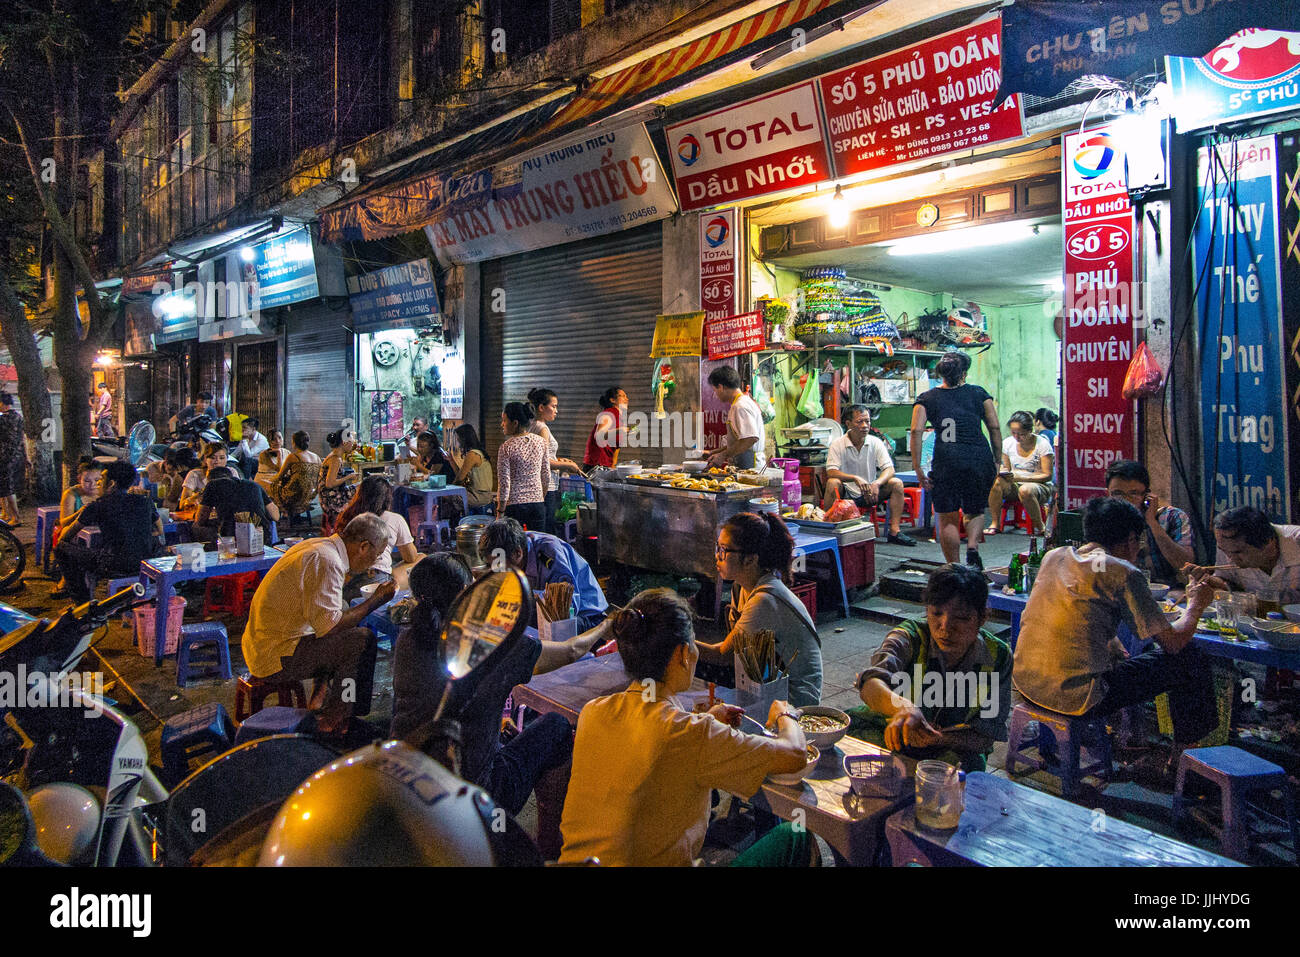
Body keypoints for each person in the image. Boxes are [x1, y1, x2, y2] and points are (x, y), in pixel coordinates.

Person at [558, 589, 813, 867]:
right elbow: (794, 754)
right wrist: (784, 713)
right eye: (693, 644)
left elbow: (658, 740)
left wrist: (709, 721)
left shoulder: (593, 713)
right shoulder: (691, 733)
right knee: (795, 835)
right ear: (682, 654)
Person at [1014, 497, 1218, 755]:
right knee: (1190, 658)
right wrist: (1196, 605)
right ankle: (1187, 756)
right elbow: (1173, 643)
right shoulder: (1122, 571)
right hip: (1076, 698)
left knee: (1132, 658)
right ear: (1131, 539)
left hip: (1027, 685)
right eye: (1138, 542)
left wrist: (1111, 642)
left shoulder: (1055, 556)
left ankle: (1136, 736)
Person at [391, 553, 574, 821]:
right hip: (476, 799)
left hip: (406, 780)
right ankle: (549, 840)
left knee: (501, 733)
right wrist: (607, 625)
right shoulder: (493, 645)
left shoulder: (407, 640)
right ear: (465, 595)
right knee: (556, 726)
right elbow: (570, 651)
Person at [241, 514, 395, 734]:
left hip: (265, 644)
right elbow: (331, 626)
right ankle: (335, 719)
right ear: (363, 547)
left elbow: (326, 617)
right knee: (361, 641)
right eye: (376, 555)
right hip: (273, 656)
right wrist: (376, 600)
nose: (375, 562)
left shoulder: (320, 545)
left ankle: (323, 698)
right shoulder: (327, 560)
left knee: (344, 616)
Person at [851, 563, 1011, 771]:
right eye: (936, 614)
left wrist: (938, 738)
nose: (945, 627)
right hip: (886, 733)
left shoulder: (998, 658)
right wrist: (904, 709)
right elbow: (870, 684)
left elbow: (985, 737)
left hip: (948, 748)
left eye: (961, 618)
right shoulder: (908, 637)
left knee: (967, 771)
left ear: (982, 617)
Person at [696, 512, 823, 707]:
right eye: (717, 548)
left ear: (750, 559)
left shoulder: (765, 600)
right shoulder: (742, 587)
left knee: (688, 657)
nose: (717, 556)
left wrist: (674, 639)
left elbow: (723, 655)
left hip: (794, 698)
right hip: (762, 678)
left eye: (723, 550)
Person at [909, 350, 1002, 568]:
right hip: (978, 458)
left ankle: (954, 566)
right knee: (975, 510)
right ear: (965, 373)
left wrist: (918, 468)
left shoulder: (927, 398)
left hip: (946, 461)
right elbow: (995, 427)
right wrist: (997, 460)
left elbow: (915, 431)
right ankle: (972, 546)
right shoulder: (979, 393)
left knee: (946, 517)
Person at [53, 460, 163, 602]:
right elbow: (159, 530)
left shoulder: (98, 505)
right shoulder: (145, 501)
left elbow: (66, 536)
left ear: (111, 484)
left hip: (112, 565)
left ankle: (82, 602)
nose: (98, 485)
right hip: (146, 561)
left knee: (61, 547)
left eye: (100, 480)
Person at [481, 517, 607, 631]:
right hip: (546, 615)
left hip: (587, 617)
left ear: (518, 553)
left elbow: (564, 612)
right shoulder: (510, 546)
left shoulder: (549, 552)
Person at [823, 404, 915, 546]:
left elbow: (889, 469)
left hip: (871, 493)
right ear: (848, 424)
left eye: (868, 421)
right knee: (833, 482)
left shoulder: (875, 442)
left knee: (896, 483)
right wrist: (854, 478)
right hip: (847, 494)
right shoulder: (838, 444)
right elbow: (831, 471)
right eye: (860, 421)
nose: (865, 425)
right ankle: (829, 529)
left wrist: (877, 483)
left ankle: (894, 532)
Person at [1104, 460, 1194, 586]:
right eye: (1118, 494)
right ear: (1107, 494)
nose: (1126, 500)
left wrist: (1151, 522)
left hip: (1170, 593)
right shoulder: (1102, 521)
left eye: (1134, 493)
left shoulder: (1172, 517)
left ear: (1147, 495)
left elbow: (1185, 565)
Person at [1186, 505, 1300, 605]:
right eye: (1224, 550)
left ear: (1268, 542)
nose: (1229, 559)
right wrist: (1207, 580)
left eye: (1237, 552)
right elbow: (1228, 582)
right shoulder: (1227, 545)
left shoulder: (1296, 542)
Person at [334, 474, 418, 599]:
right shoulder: (395, 519)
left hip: (346, 578)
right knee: (420, 559)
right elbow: (410, 557)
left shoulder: (346, 515)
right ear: (388, 499)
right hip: (373, 578)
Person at [988, 411, 1054, 536]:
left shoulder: (1042, 445)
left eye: (1021, 434)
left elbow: (1047, 475)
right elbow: (1007, 469)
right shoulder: (1008, 443)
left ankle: (1041, 526)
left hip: (1040, 485)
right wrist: (1002, 472)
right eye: (1014, 433)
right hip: (1015, 483)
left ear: (1030, 430)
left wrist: (1022, 477)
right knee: (996, 482)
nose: (1017, 437)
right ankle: (995, 523)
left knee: (1025, 490)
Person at [528, 388, 582, 535]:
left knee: (539, 529)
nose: (556, 411)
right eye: (554, 406)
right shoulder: (542, 429)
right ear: (541, 407)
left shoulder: (533, 425)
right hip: (547, 486)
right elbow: (542, 462)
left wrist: (559, 460)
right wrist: (568, 465)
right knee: (546, 530)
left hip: (538, 485)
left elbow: (542, 456)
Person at [192, 466, 281, 545]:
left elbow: (200, 519)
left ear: (209, 480)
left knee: (196, 527)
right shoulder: (254, 485)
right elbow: (276, 516)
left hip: (232, 537)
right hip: (263, 536)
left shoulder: (213, 484)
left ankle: (209, 557)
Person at [496, 402, 550, 531]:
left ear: (515, 423)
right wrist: (539, 497)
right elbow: (546, 475)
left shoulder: (506, 447)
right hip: (537, 504)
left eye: (504, 420)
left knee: (515, 545)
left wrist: (500, 511)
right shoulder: (541, 442)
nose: (502, 424)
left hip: (514, 507)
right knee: (537, 544)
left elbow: (504, 483)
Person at [706, 366, 766, 471]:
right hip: (744, 464)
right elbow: (740, 440)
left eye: (715, 390)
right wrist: (717, 452)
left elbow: (750, 438)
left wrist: (723, 455)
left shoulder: (741, 406)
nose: (716, 395)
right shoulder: (739, 403)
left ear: (721, 387)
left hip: (751, 467)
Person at [270, 430, 322, 517]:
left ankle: (283, 512)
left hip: (294, 495)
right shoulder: (316, 457)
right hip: (310, 496)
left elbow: (279, 476)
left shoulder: (293, 457)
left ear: (294, 443)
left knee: (273, 485)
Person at [178, 441, 240, 512]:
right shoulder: (194, 474)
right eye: (213, 458)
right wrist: (199, 495)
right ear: (205, 459)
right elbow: (182, 505)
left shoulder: (232, 472)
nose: (217, 461)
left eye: (222, 458)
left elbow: (237, 499)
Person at [319, 429, 359, 533]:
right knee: (362, 491)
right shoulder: (335, 459)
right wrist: (349, 477)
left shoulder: (334, 456)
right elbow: (330, 484)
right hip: (331, 498)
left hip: (331, 494)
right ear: (344, 443)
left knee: (360, 486)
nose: (352, 444)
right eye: (351, 441)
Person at [446, 424, 494, 509]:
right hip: (482, 495)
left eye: (458, 438)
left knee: (444, 496)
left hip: (479, 497)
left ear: (464, 438)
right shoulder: (477, 452)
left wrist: (448, 489)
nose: (457, 441)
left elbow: (459, 479)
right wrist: (451, 460)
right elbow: (460, 475)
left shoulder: (472, 454)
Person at [582, 387, 626, 469]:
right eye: (622, 396)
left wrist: (613, 466)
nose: (626, 399)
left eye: (626, 396)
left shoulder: (620, 418)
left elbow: (617, 448)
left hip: (606, 465)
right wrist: (619, 431)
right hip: (595, 464)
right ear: (612, 400)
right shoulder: (609, 413)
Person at [0, 393, 25, 525]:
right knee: (5, 486)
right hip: (16, 456)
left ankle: (16, 518)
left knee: (7, 488)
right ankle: (5, 513)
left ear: (2, 403)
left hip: (4, 457)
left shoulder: (3, 419)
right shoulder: (18, 417)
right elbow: (22, 437)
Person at [254, 429, 289, 496]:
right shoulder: (264, 454)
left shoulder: (286, 452)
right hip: (265, 479)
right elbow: (279, 470)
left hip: (278, 479)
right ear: (269, 441)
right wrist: (279, 454)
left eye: (279, 437)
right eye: (274, 439)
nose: (278, 441)